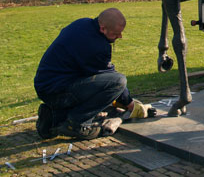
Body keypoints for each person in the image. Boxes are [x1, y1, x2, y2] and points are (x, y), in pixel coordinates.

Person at [34, 8, 134, 140]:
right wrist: (129, 102)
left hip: (46, 86)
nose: (120, 36)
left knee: (102, 87)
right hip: (57, 92)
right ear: (103, 29)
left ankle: (53, 118)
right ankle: (77, 123)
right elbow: (111, 79)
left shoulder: (82, 24)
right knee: (118, 82)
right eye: (116, 34)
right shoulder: (97, 46)